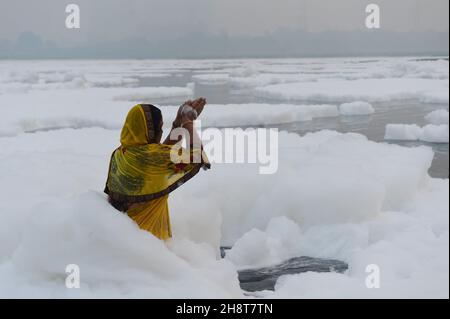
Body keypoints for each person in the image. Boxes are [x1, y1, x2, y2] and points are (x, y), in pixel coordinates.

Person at [104, 98, 210, 240]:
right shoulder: (152, 157)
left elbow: (160, 156)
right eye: (159, 128)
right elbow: (197, 156)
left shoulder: (120, 154)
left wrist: (178, 123)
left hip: (125, 240)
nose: (160, 132)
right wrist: (188, 123)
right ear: (148, 130)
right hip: (150, 244)